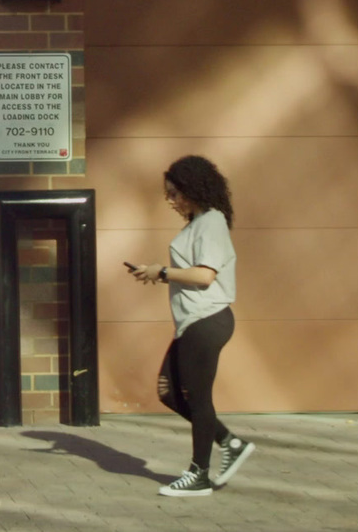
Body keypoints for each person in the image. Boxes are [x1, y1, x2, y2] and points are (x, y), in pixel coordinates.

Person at [126, 155, 255, 497]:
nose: (170, 200)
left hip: (206, 320)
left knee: (198, 399)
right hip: (193, 323)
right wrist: (155, 273)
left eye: (174, 193)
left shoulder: (211, 222)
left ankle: (199, 475)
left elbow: (204, 275)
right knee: (169, 393)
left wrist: (162, 272)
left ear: (194, 188)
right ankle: (231, 442)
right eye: (167, 194)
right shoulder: (197, 223)